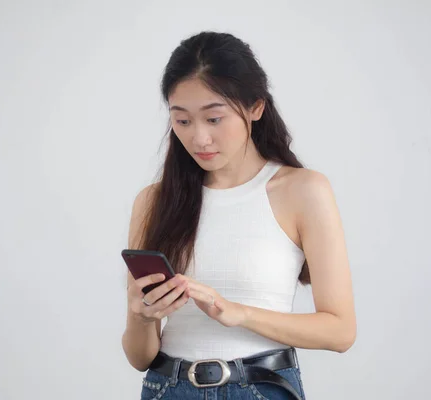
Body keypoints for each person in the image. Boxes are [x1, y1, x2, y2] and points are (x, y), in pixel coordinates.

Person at [121, 31, 356, 400]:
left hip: (260, 388)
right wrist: (140, 316)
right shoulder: (153, 201)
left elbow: (340, 332)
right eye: (182, 121)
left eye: (214, 119)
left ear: (255, 108)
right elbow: (140, 357)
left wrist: (237, 313)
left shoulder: (303, 190)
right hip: (166, 389)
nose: (199, 139)